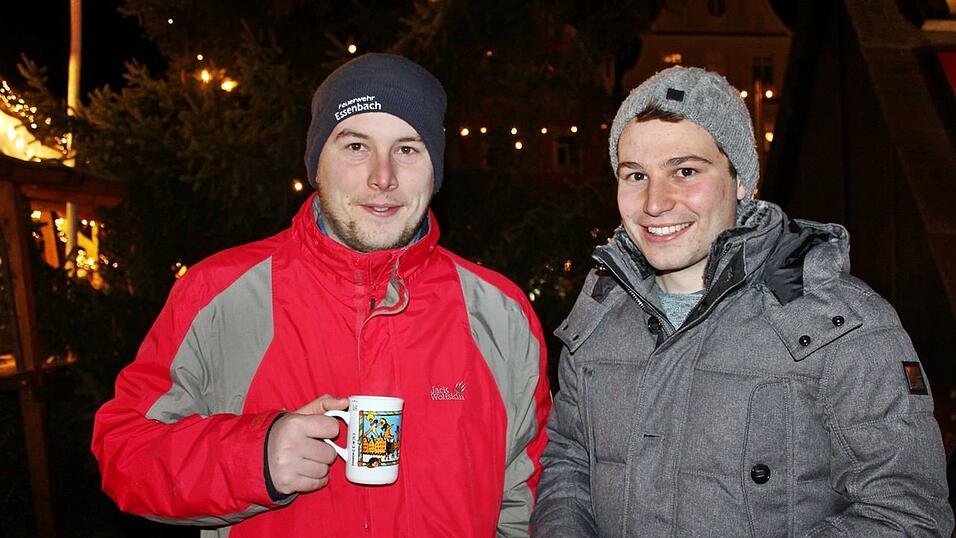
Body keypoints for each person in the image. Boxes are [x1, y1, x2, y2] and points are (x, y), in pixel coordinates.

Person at [92, 53, 551, 537]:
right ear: (316, 163)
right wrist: (254, 458)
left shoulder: (501, 314)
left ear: (435, 169)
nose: (383, 177)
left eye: (408, 149)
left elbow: (527, 496)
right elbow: (125, 451)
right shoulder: (219, 294)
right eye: (356, 145)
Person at [531, 66, 954, 536]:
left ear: (742, 182)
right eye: (635, 175)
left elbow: (907, 515)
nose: (655, 202)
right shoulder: (598, 314)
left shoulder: (841, 324)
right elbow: (569, 463)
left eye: (685, 171)